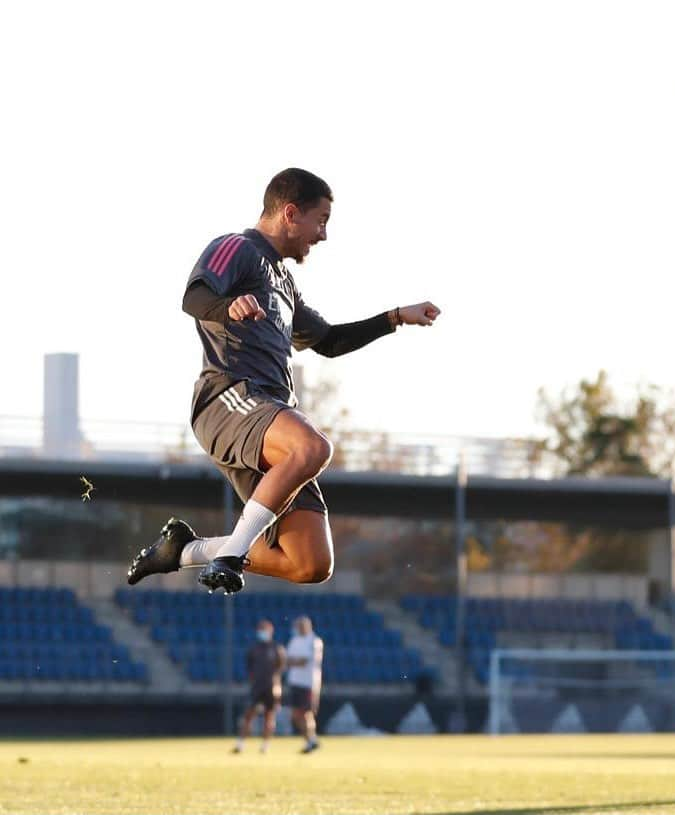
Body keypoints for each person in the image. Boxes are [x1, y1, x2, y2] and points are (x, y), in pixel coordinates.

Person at [126, 168, 441, 594]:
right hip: (229, 399)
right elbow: (194, 298)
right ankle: (231, 554)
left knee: (310, 563)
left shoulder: (284, 282)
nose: (323, 235)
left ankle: (184, 551)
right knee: (313, 446)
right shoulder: (235, 248)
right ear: (291, 213)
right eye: (322, 220)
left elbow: (328, 341)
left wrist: (395, 318)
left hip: (271, 418)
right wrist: (230, 306)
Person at [233, 619, 286, 754]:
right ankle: (240, 744)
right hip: (257, 687)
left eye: (265, 629)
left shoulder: (276, 649)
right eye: (261, 629)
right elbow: (249, 668)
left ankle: (265, 745)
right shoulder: (253, 649)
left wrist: (277, 687)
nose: (262, 632)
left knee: (269, 716)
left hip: (271, 688)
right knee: (249, 715)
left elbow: (280, 669)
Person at [287, 615, 323, 753]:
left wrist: (293, 661)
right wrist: (295, 661)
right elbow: (287, 660)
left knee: (305, 713)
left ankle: (311, 741)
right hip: (295, 682)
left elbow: (304, 661)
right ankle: (311, 740)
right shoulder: (294, 640)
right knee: (297, 715)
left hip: (308, 683)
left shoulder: (314, 641)